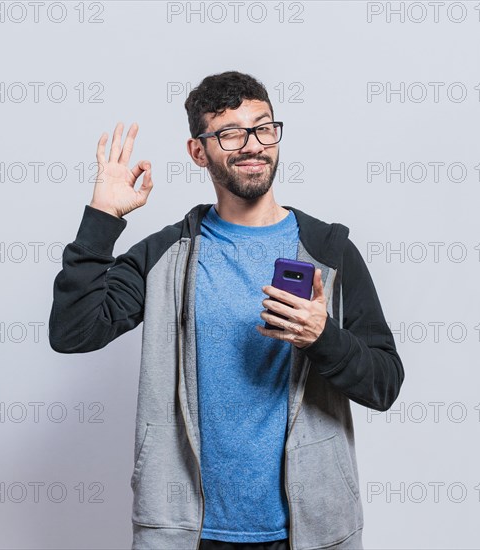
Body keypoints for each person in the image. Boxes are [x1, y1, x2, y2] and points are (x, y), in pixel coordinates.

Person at [49, 71, 404, 550]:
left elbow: (384, 384)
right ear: (199, 151)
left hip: (311, 531)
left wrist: (323, 337)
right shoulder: (163, 255)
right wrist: (102, 218)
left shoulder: (330, 251)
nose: (253, 145)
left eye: (263, 128)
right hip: (185, 532)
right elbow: (74, 332)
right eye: (230, 133)